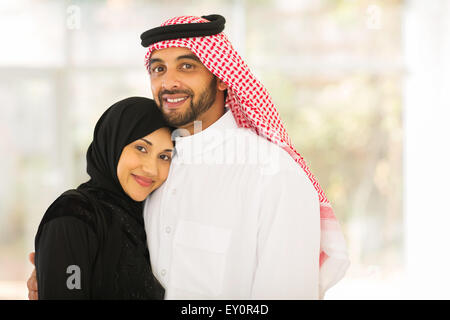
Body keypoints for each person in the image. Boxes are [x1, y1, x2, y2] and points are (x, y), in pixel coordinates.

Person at [29, 14, 349, 300]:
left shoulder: (273, 176)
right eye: (158, 69)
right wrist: (61, 270)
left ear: (223, 75)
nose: (169, 82)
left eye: (187, 66)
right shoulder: (154, 171)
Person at [32, 97, 174, 299]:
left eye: (164, 156)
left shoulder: (149, 217)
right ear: (112, 143)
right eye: (141, 148)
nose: (151, 169)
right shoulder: (74, 213)